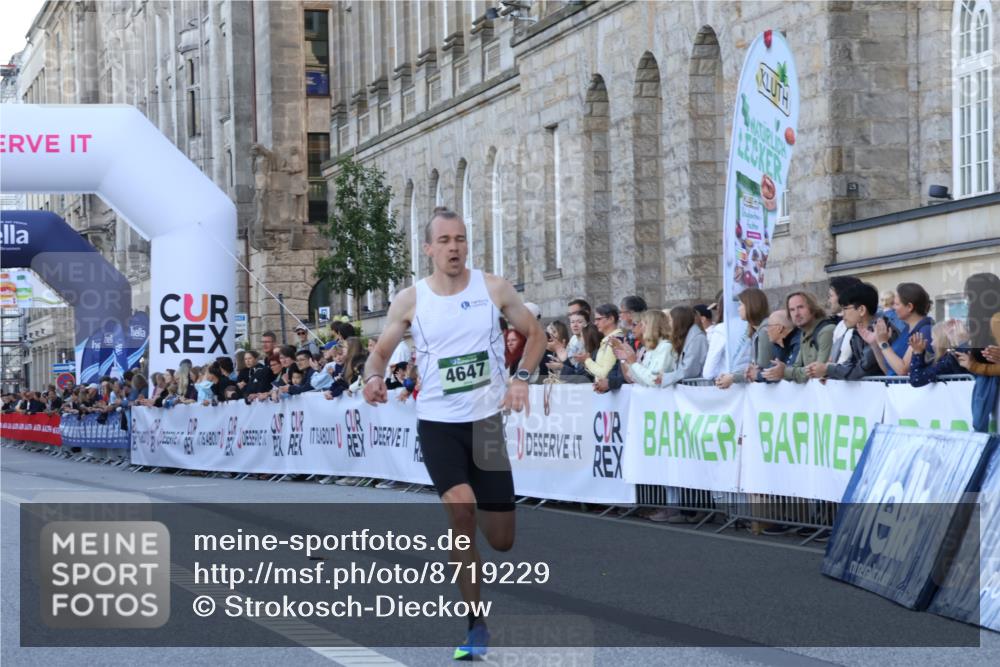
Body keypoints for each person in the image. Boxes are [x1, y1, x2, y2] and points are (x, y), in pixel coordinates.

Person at [361, 208, 543, 660]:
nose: (454, 247)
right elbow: (380, 352)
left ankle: (480, 509)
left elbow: (535, 334)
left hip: (485, 425)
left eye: (460, 239)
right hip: (439, 425)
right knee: (460, 510)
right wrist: (372, 378)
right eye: (444, 240)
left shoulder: (493, 288)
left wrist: (520, 377)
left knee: (501, 540)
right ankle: (475, 622)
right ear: (428, 249)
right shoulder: (410, 299)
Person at [807, 282, 883, 381]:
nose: (842, 315)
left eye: (845, 309)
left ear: (861, 310)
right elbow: (851, 363)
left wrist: (828, 369)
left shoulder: (880, 330)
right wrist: (829, 372)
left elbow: (860, 369)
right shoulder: (857, 332)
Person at [763, 292, 835, 383]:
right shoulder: (804, 333)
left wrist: (785, 371)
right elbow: (796, 367)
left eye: (800, 307)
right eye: (792, 310)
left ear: (812, 308)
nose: (796, 314)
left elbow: (818, 371)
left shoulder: (826, 331)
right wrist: (783, 370)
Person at [870, 282, 934, 376]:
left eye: (896, 304)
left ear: (909, 307)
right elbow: (888, 369)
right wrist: (876, 344)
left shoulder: (924, 331)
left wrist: (883, 344)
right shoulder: (906, 330)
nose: (893, 308)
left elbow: (903, 370)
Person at [716, 288, 769, 389]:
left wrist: (732, 378)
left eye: (740, 304)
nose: (738, 309)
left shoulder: (764, 331)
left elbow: (761, 370)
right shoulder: (756, 331)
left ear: (751, 306)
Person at [615, 309, 675, 387]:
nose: (641, 329)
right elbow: (639, 380)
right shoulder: (651, 348)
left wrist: (633, 363)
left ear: (651, 326)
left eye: (643, 325)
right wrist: (628, 360)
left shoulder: (666, 347)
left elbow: (654, 380)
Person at [658, 306, 708, 387]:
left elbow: (690, 370)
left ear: (678, 321)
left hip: (697, 389)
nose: (668, 324)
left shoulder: (697, 338)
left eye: (670, 320)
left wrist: (665, 378)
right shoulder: (688, 337)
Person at [748, 309, 799, 383]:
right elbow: (773, 370)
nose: (766, 330)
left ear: (779, 328)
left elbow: (790, 373)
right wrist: (756, 372)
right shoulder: (779, 344)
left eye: (769, 326)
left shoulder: (797, 341)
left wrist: (758, 375)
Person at [583, 304, 623, 381]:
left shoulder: (615, 340)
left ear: (611, 319)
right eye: (595, 320)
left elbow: (605, 374)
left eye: (599, 319)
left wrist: (587, 360)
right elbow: (599, 373)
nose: (595, 323)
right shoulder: (608, 339)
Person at [827, 276, 862, 364]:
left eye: (831, 296)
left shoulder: (864, 325)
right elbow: (832, 361)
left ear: (842, 296)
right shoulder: (840, 326)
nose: (829, 300)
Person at [702, 292, 727, 380]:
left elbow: (708, 372)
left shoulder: (721, 329)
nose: (716, 312)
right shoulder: (746, 326)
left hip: (725, 382)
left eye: (717, 308)